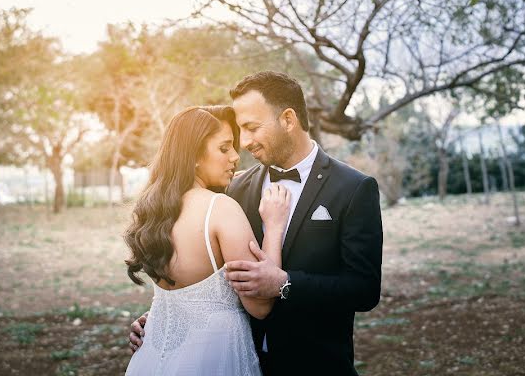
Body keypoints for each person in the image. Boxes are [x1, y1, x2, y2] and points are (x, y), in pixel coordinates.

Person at [130, 72, 384, 376]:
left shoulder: (354, 189)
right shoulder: (234, 189)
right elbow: (206, 269)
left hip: (315, 365)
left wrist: (285, 283)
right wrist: (167, 319)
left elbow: (364, 290)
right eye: (240, 131)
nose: (245, 142)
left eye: (251, 128)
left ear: (288, 120)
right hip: (236, 359)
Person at [124, 105, 292, 376]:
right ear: (193, 157)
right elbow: (260, 306)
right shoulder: (219, 209)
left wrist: (152, 319)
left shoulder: (153, 210)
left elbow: (180, 297)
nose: (236, 156)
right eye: (224, 148)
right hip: (214, 358)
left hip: (152, 357)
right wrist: (274, 227)